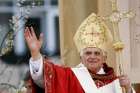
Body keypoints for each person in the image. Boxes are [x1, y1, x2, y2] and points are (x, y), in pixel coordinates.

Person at [24, 13, 135, 93]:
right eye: (88, 53)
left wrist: (128, 89)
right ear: (81, 57)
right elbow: (42, 79)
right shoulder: (70, 76)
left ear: (104, 58)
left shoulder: (116, 82)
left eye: (97, 53)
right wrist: (35, 53)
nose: (92, 56)